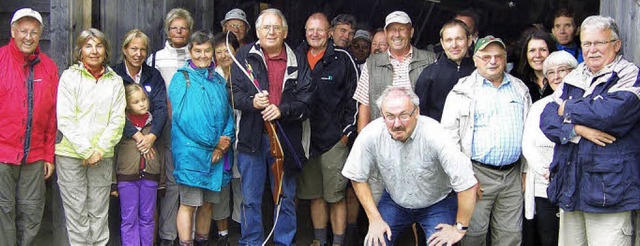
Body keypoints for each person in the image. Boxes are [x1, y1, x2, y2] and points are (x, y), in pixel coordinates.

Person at [540, 15, 640, 246]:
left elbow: (609, 115)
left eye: (599, 43)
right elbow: (546, 119)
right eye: (586, 43)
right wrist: (577, 130)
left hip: (610, 191)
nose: (592, 50)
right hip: (571, 187)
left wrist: (567, 107)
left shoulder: (630, 75)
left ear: (616, 45)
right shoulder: (575, 75)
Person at [342, 86, 478, 246]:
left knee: (443, 244)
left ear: (417, 112)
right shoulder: (371, 133)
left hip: (437, 202)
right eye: (390, 116)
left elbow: (467, 183)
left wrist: (459, 228)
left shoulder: (437, 135)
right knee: (374, 242)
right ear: (382, 115)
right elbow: (356, 175)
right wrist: (374, 219)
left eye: (404, 115)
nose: (397, 123)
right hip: (395, 201)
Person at [351, 11, 436, 244]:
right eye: (392, 29)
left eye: (402, 28)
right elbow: (365, 106)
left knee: (421, 210)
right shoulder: (372, 62)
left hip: (420, 148)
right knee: (380, 211)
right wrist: (364, 146)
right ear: (386, 34)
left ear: (412, 31)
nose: (397, 33)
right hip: (383, 149)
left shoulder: (430, 59)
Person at [230, 8, 312, 245]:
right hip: (252, 139)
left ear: (285, 32)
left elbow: (308, 99)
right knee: (250, 198)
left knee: (285, 196)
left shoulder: (297, 58)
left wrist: (282, 110)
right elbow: (232, 93)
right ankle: (251, 241)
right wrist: (252, 102)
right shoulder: (244, 55)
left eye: (277, 27)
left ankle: (284, 241)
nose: (272, 32)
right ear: (257, 31)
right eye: (266, 27)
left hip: (285, 139)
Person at [441, 35, 532, 246]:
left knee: (510, 236)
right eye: (486, 57)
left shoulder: (520, 89)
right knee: (473, 235)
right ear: (475, 59)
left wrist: (526, 171)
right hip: (477, 174)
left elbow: (529, 134)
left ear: (505, 58)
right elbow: (449, 139)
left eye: (498, 56)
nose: (492, 61)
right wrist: (465, 177)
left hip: (512, 175)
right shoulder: (461, 91)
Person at [56, 28, 126, 246]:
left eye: (99, 46)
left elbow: (117, 120)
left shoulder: (114, 81)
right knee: (76, 213)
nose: (94, 51)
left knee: (98, 211)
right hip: (71, 155)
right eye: (88, 46)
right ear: (80, 51)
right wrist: (86, 150)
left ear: (106, 51)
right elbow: (65, 118)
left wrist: (97, 151)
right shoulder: (69, 77)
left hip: (102, 155)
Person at [295, 12, 358, 246]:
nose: (315, 34)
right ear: (305, 31)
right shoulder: (297, 56)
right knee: (315, 196)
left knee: (336, 196)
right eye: (310, 29)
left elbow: (355, 97)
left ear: (329, 32)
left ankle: (338, 243)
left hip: (334, 140)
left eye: (320, 30)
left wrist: (346, 133)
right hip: (305, 139)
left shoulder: (343, 58)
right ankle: (319, 241)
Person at [168, 30, 235, 246]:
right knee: (189, 204)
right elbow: (184, 118)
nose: (203, 55)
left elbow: (228, 113)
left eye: (207, 51)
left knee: (207, 204)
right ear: (190, 51)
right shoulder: (181, 78)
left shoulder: (216, 79)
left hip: (216, 154)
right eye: (198, 51)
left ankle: (202, 242)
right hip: (191, 154)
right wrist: (214, 142)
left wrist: (224, 141)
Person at [0, 8, 58, 246]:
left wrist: (48, 155)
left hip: (34, 155)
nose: (28, 37)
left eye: (34, 32)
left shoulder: (49, 67)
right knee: (3, 211)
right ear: (13, 32)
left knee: (32, 211)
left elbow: (53, 115)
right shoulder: (1, 60)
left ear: (40, 35)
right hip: (3, 153)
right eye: (23, 31)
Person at [112, 29, 168, 246]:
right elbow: (113, 110)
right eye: (133, 48)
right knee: (128, 216)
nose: (138, 53)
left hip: (150, 153)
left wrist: (152, 135)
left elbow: (161, 108)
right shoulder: (115, 74)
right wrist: (136, 135)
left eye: (142, 49)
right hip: (127, 155)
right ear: (125, 50)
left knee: (147, 214)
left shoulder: (153, 75)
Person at [146, 8, 194, 246]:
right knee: (169, 182)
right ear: (167, 30)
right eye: (174, 27)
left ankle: (189, 235)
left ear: (189, 31)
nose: (178, 32)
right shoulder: (154, 58)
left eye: (183, 28)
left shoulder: (197, 56)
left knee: (190, 181)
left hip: (191, 130)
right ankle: (167, 235)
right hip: (164, 128)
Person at [522, 51, 577, 246]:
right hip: (544, 185)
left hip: (576, 185)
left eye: (563, 70)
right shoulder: (539, 107)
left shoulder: (584, 105)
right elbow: (527, 145)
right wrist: (549, 171)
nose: (557, 76)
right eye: (551, 72)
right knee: (549, 238)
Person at [114, 83, 162, 246]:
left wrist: (160, 177)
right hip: (127, 177)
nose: (142, 104)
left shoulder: (154, 122)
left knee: (148, 217)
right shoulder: (121, 123)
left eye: (143, 99)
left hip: (150, 175)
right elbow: (114, 153)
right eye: (136, 102)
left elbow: (160, 150)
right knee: (129, 218)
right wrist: (113, 182)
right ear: (127, 104)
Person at [210, 31, 241, 245]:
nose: (223, 55)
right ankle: (222, 233)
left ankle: (241, 227)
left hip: (243, 138)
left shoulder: (246, 73)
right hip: (219, 139)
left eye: (228, 50)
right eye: (219, 51)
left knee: (242, 186)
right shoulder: (211, 77)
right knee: (220, 186)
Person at [414, 19, 475, 122]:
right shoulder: (429, 74)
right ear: (442, 43)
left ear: (469, 41)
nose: (454, 45)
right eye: (449, 40)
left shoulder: (480, 71)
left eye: (459, 39)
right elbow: (420, 114)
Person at [514, 27, 557, 102]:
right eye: (532, 50)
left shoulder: (561, 78)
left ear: (551, 52)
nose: (537, 55)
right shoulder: (517, 81)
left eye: (543, 50)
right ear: (526, 54)